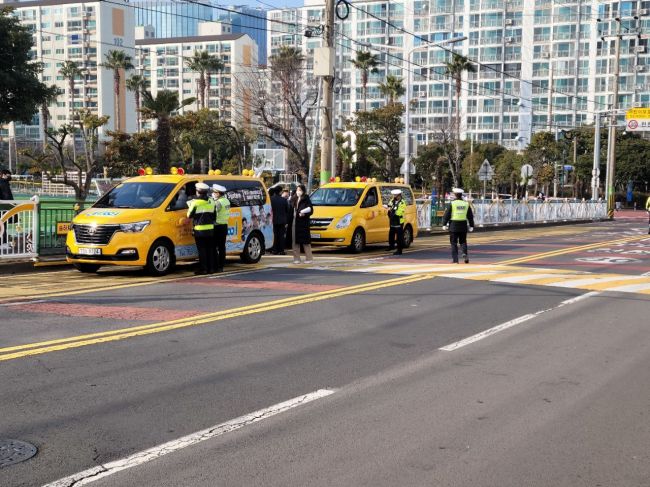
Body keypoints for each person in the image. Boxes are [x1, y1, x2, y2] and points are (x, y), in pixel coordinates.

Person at [187, 182, 216, 275]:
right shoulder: (212, 201)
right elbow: (214, 216)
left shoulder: (195, 202)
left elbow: (189, 215)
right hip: (210, 229)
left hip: (200, 230)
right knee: (210, 249)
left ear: (198, 192)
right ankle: (211, 269)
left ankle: (203, 269)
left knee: (202, 250)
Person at [442, 188, 475, 264]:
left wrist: (444, 224)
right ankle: (464, 254)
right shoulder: (466, 204)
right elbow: (470, 216)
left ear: (455, 195)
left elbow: (447, 214)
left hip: (453, 226)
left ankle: (455, 260)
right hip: (463, 225)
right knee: (463, 241)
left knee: (453, 243)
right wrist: (471, 225)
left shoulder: (452, 204)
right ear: (461, 195)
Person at [290, 184, 313, 264]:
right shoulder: (294, 198)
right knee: (295, 241)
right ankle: (296, 258)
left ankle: (309, 258)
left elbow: (311, 210)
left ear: (303, 191)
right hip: (295, 221)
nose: (298, 191)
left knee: (305, 241)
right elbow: (290, 209)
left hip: (303, 222)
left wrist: (304, 214)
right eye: (297, 190)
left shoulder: (306, 198)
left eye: (300, 190)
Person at [211, 184, 230, 273]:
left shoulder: (218, 202)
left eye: (215, 192)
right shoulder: (226, 201)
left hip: (217, 226)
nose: (213, 193)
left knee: (214, 247)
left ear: (219, 193)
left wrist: (213, 201)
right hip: (224, 226)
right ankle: (221, 266)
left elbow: (213, 212)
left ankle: (216, 266)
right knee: (222, 247)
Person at [385, 188, 407, 255]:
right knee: (391, 234)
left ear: (399, 195)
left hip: (399, 221)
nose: (394, 196)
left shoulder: (402, 202)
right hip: (392, 220)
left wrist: (392, 210)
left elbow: (400, 212)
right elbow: (389, 206)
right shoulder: (392, 200)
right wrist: (388, 208)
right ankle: (391, 246)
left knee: (399, 237)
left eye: (395, 195)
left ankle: (399, 250)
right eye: (394, 195)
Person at [270, 187, 289, 255]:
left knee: (274, 235)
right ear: (280, 192)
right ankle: (281, 250)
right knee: (281, 236)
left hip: (273, 220)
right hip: (282, 220)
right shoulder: (284, 200)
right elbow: (287, 210)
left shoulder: (271, 199)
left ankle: (274, 250)